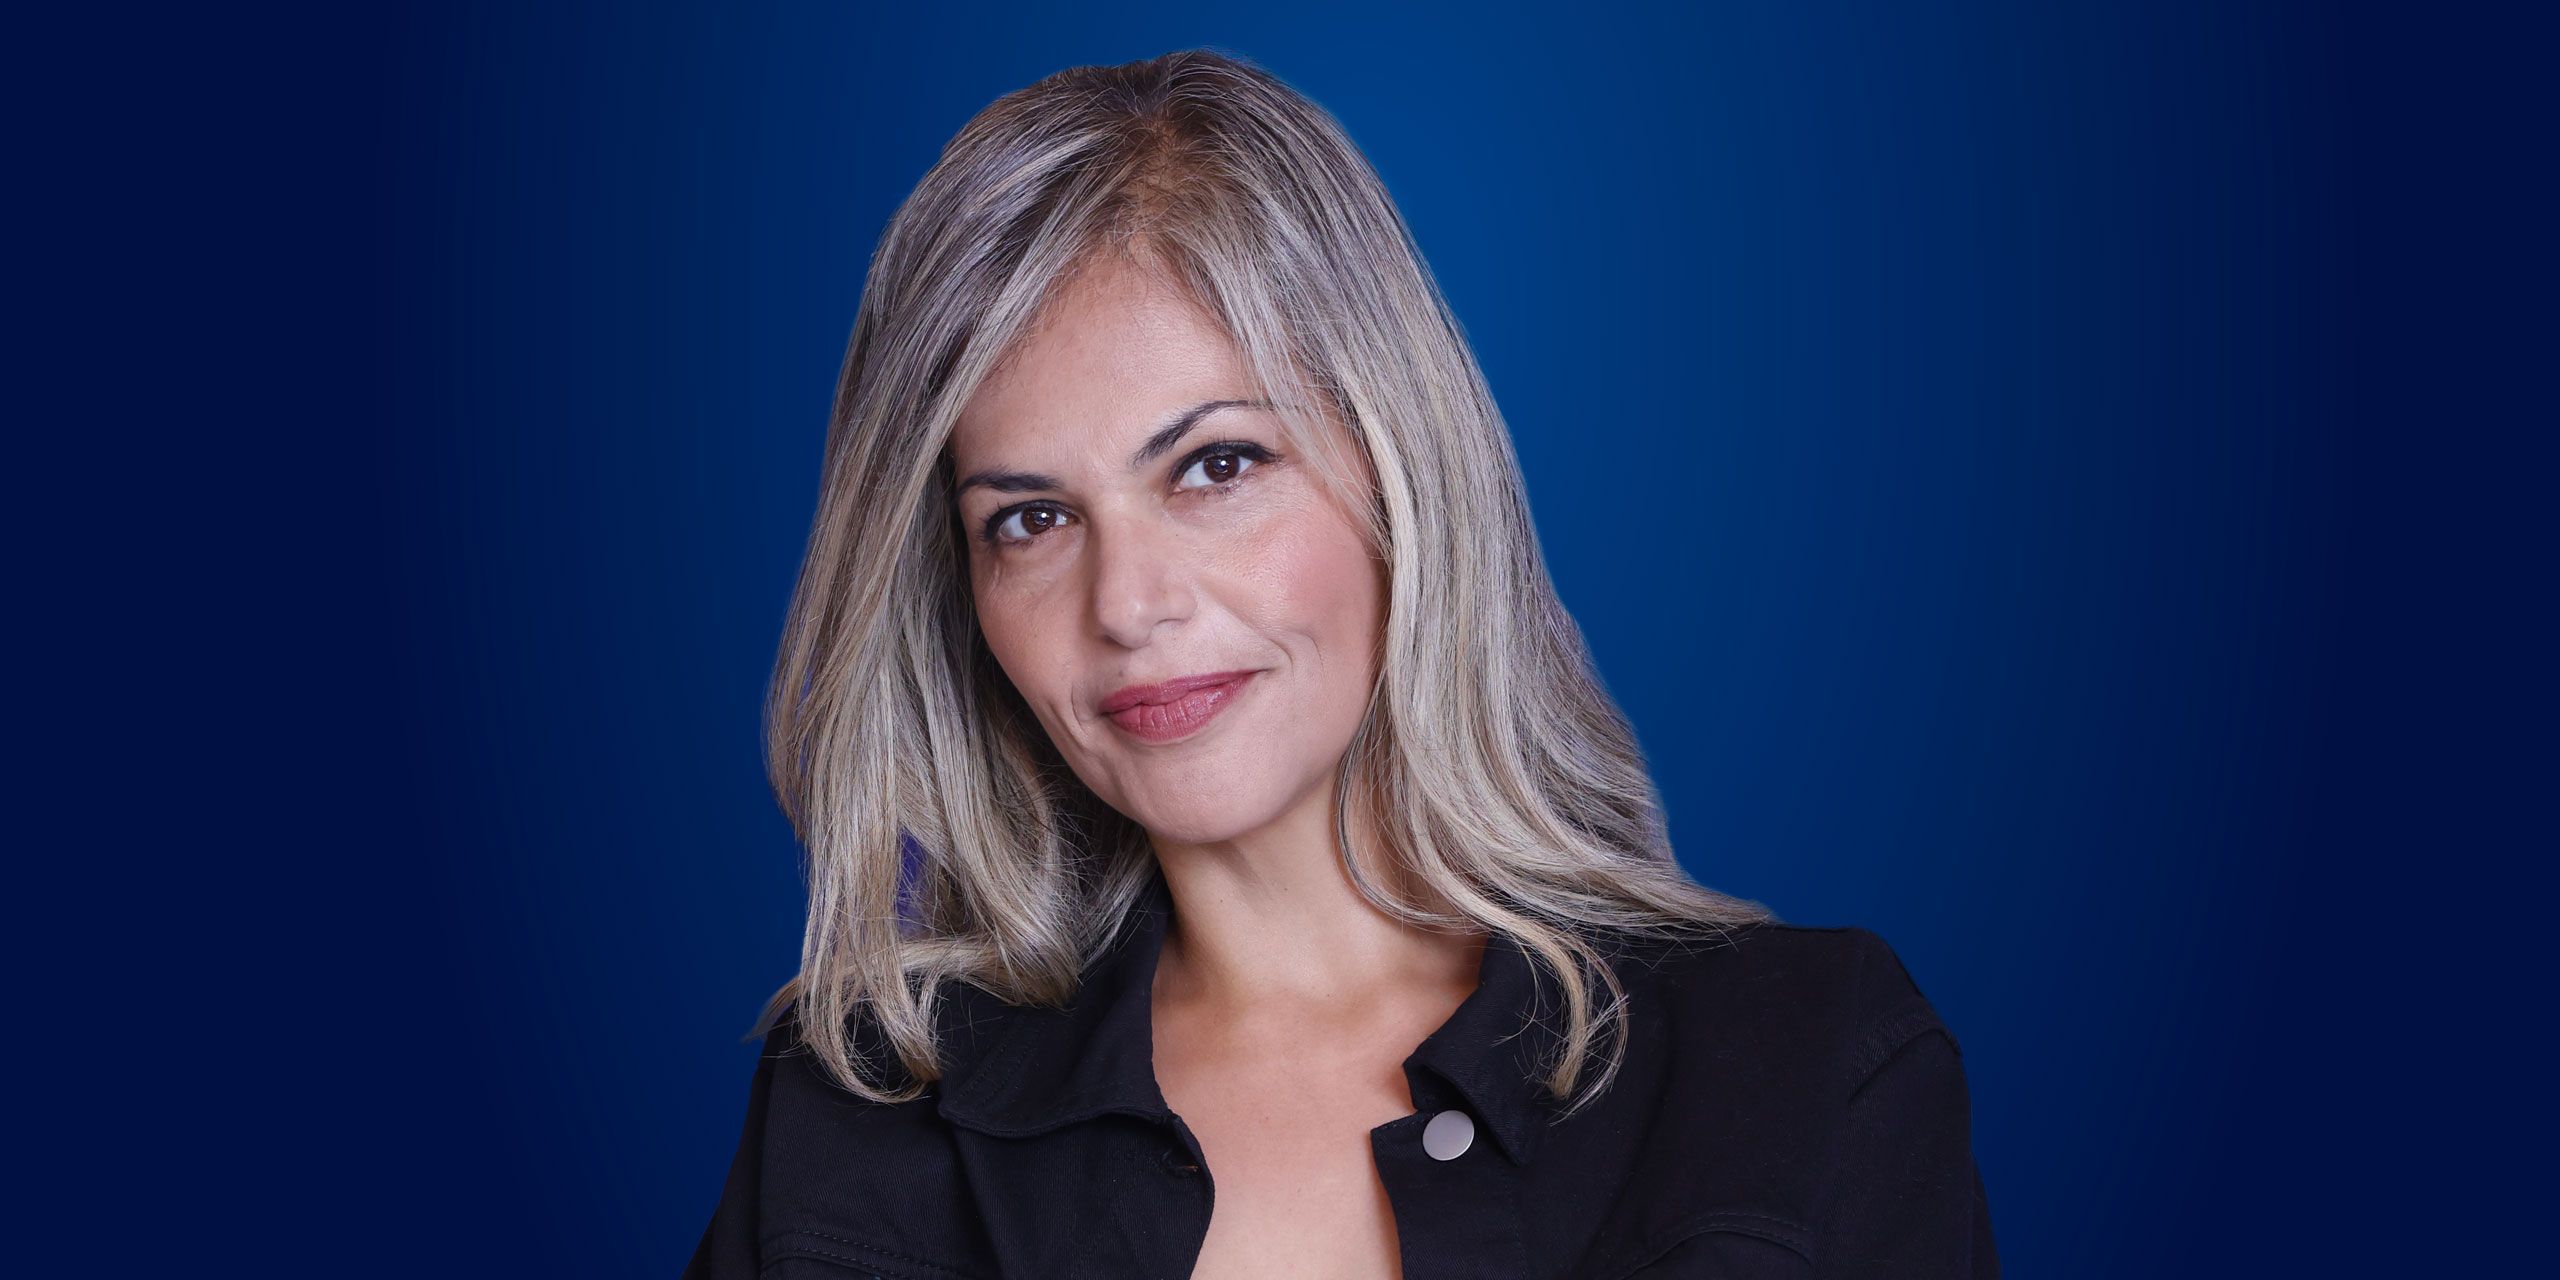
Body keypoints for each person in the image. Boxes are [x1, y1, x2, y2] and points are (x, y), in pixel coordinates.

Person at [684, 47, 1995, 1280]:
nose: (1127, 605)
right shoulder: (857, 1116)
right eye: (1030, 519)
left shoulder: (1809, 1069)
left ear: (1398, 471)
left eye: (1216, 465)